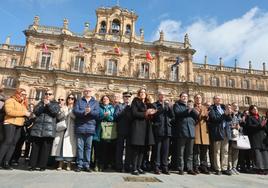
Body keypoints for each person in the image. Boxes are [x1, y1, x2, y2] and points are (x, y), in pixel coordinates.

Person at [29, 89, 60, 171]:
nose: (48, 95)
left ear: (53, 96)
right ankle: (32, 165)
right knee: (35, 147)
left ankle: (42, 166)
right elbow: (36, 112)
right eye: (46, 94)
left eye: (50, 94)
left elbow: (55, 112)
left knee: (45, 148)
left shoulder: (55, 104)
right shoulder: (40, 103)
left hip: (49, 129)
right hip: (38, 127)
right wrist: (43, 105)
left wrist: (48, 104)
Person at [0, 88, 30, 169]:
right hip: (10, 123)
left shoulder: (23, 103)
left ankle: (6, 162)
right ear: (18, 93)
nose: (24, 96)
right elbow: (9, 112)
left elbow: (25, 114)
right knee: (7, 142)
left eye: (25, 95)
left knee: (14, 144)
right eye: (22, 94)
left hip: (19, 124)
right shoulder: (10, 100)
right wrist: (24, 113)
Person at [73, 87, 99, 172]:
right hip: (80, 127)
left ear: (92, 92)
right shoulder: (79, 101)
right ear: (83, 92)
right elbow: (75, 111)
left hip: (90, 127)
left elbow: (97, 113)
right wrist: (84, 112)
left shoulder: (95, 102)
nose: (87, 92)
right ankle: (79, 164)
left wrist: (90, 111)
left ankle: (87, 165)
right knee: (80, 147)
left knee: (88, 147)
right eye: (86, 91)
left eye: (89, 91)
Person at [130, 88, 155, 175]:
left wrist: (152, 112)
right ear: (138, 94)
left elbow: (154, 111)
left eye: (144, 92)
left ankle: (139, 167)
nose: (143, 94)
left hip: (146, 128)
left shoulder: (147, 104)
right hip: (138, 127)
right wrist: (145, 113)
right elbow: (134, 113)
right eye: (141, 92)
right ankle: (134, 168)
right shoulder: (135, 101)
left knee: (142, 149)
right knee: (136, 149)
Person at [173, 92, 198, 175]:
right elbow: (178, 114)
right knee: (181, 151)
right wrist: (188, 110)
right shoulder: (177, 105)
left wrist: (192, 109)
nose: (185, 98)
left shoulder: (191, 106)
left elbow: (196, 116)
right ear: (180, 98)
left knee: (190, 152)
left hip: (191, 131)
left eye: (186, 96)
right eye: (183, 96)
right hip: (182, 131)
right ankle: (181, 168)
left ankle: (189, 168)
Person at [51, 94, 77, 171]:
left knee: (69, 147)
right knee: (61, 146)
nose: (70, 99)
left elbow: (75, 118)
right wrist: (64, 112)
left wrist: (70, 112)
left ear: (74, 100)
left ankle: (68, 164)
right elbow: (58, 117)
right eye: (69, 98)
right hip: (62, 129)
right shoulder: (63, 107)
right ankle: (60, 164)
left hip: (70, 129)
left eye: (72, 98)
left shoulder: (75, 108)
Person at [208, 96, 232, 176]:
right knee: (217, 151)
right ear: (214, 100)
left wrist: (228, 114)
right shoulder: (212, 109)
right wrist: (225, 114)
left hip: (225, 131)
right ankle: (218, 168)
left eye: (220, 98)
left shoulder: (223, 108)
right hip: (217, 132)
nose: (219, 99)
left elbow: (229, 119)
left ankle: (224, 168)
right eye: (217, 98)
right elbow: (214, 119)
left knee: (225, 151)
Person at [151, 91, 173, 175]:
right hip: (158, 129)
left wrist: (170, 107)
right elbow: (154, 115)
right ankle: (156, 166)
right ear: (158, 96)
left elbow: (172, 116)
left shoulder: (168, 105)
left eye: (164, 95)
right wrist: (162, 107)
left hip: (167, 129)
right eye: (161, 95)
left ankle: (165, 167)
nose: (163, 96)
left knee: (165, 150)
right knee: (157, 149)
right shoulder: (154, 105)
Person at [246, 105, 268, 175]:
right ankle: (258, 168)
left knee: (264, 153)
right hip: (255, 137)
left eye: (256, 109)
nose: (255, 110)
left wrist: (264, 125)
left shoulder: (261, 117)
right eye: (254, 109)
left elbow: (264, 127)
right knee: (257, 154)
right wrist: (260, 125)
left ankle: (265, 168)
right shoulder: (249, 118)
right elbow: (249, 127)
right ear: (251, 110)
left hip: (262, 137)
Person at [114, 91, 132, 172]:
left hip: (130, 130)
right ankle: (119, 166)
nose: (127, 98)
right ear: (123, 98)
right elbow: (115, 116)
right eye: (125, 97)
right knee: (119, 148)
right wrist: (123, 111)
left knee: (129, 149)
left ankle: (127, 165)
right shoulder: (119, 106)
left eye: (128, 97)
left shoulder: (132, 106)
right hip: (121, 129)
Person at [193, 94, 210, 174]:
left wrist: (205, 115)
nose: (198, 99)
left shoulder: (205, 108)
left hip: (204, 131)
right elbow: (197, 117)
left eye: (199, 98)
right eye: (197, 98)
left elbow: (208, 117)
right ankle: (196, 166)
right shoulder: (193, 108)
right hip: (196, 130)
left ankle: (204, 166)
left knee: (204, 150)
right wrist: (202, 114)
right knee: (196, 150)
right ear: (194, 99)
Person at [98, 95, 116, 170]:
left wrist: (107, 116)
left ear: (109, 100)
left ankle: (108, 163)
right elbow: (97, 117)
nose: (105, 100)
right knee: (102, 147)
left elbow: (113, 118)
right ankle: (101, 164)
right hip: (100, 128)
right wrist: (103, 115)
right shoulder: (99, 107)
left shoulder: (112, 108)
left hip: (109, 128)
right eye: (104, 99)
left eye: (107, 99)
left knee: (109, 146)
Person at [228, 102, 242, 175]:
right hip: (230, 135)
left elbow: (241, 125)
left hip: (237, 135)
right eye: (234, 106)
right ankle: (230, 167)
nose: (236, 107)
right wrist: (233, 127)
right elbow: (227, 124)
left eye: (237, 106)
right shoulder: (229, 114)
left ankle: (234, 167)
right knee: (230, 152)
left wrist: (239, 127)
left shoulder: (239, 115)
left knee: (236, 152)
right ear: (231, 107)